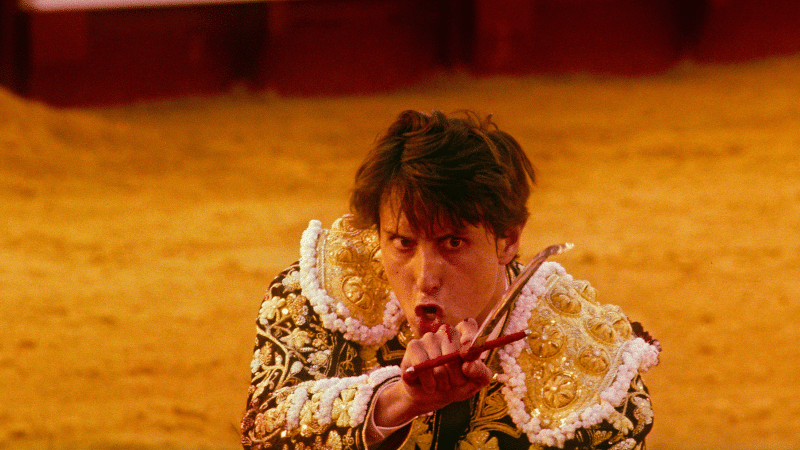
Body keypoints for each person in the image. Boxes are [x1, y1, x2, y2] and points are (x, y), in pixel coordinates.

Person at [240, 110, 660, 450]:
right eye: (403, 242)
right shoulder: (322, 291)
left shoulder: (595, 372)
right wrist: (400, 400)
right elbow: (264, 433)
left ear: (508, 240)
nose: (425, 278)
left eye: (453, 242)